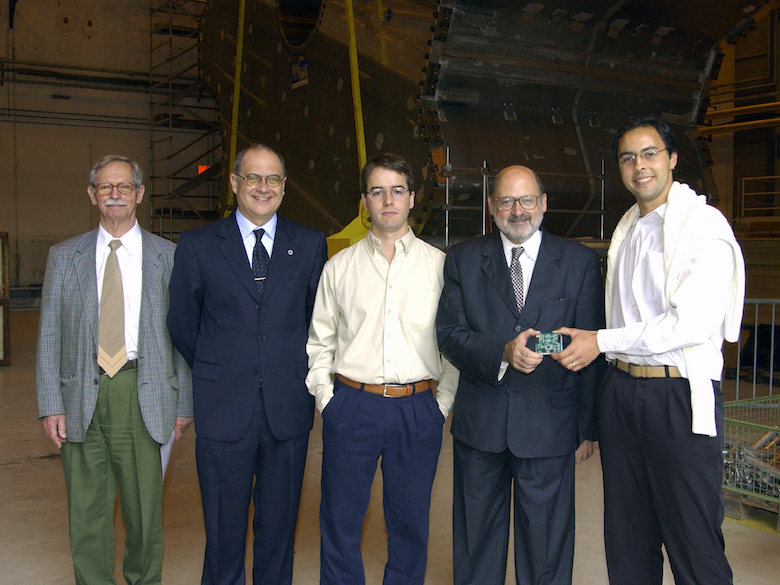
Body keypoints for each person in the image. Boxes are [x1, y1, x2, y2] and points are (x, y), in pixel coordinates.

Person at [554, 117, 745, 585]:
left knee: (693, 541)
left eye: (650, 153)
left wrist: (599, 342)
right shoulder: (629, 228)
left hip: (676, 398)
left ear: (673, 159)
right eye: (627, 157)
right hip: (623, 395)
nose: (639, 166)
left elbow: (690, 324)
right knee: (628, 543)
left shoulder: (703, 226)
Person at [166, 144, 327, 585]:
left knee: (279, 530)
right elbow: (182, 323)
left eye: (273, 178)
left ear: (284, 186)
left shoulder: (310, 244)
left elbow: (319, 322)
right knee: (223, 530)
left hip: (287, 410)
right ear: (235, 183)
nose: (263, 187)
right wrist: (220, 365)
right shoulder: (198, 245)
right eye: (252, 178)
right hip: (223, 409)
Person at [436, 165, 605, 585]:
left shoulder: (580, 262)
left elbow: (589, 345)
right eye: (507, 201)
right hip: (481, 429)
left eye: (527, 200)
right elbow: (450, 335)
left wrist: (587, 427)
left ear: (543, 204)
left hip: (550, 425)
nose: (517, 211)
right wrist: (503, 352)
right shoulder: (462, 258)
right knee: (477, 547)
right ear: (491, 207)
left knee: (546, 548)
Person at [36, 154, 194, 585]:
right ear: (92, 195)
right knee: (86, 511)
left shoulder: (169, 257)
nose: (115, 194)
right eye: (105, 187)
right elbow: (49, 333)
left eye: (124, 186)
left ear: (140, 194)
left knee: (144, 514)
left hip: (142, 391)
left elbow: (183, 336)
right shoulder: (64, 257)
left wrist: (183, 402)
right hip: (81, 394)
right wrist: (51, 403)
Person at [306, 152, 459, 585]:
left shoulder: (441, 267)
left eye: (397, 191)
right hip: (352, 406)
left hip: (418, 409)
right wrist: (328, 402)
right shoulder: (338, 269)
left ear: (412, 198)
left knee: (410, 523)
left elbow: (452, 345)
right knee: (339, 521)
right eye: (377, 192)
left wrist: (440, 403)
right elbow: (320, 343)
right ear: (364, 201)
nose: (387, 200)